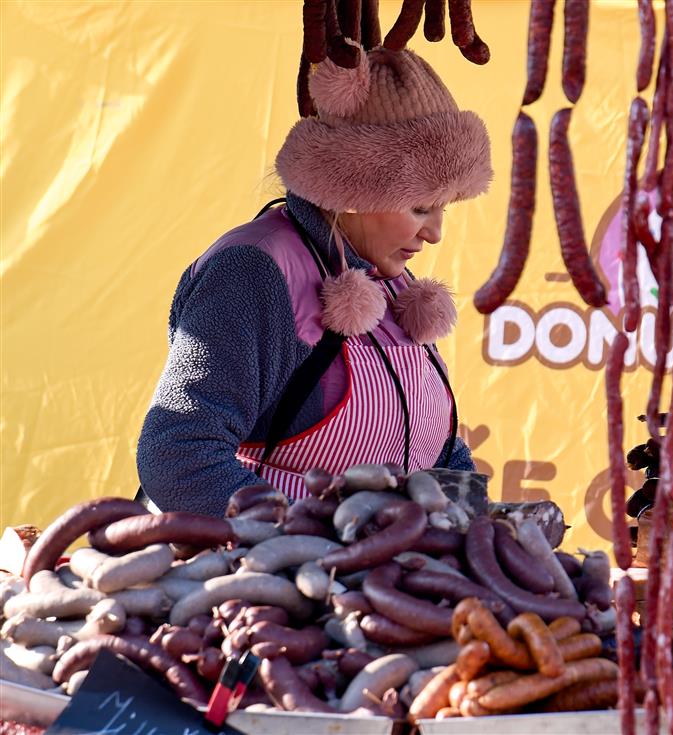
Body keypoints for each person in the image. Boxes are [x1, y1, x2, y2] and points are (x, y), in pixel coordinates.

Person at [136, 46, 493, 516]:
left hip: (376, 560)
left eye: (445, 207)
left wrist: (474, 515)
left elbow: (436, 448)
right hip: (257, 559)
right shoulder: (254, 271)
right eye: (421, 208)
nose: (435, 233)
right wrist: (310, 536)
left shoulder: (388, 279)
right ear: (354, 190)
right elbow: (178, 457)